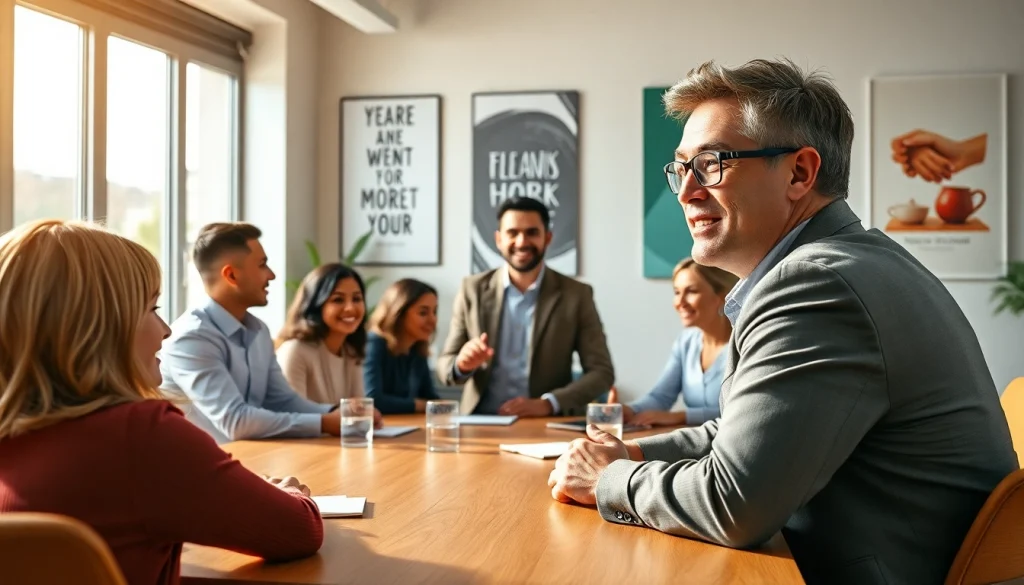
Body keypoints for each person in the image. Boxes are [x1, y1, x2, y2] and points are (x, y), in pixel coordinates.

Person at [547, 58, 1017, 585]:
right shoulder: (853, 261)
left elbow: (734, 505)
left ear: (799, 173)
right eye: (681, 168)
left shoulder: (817, 284)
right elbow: (744, 430)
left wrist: (610, 478)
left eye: (711, 164)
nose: (685, 191)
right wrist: (631, 450)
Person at [0, 220, 323, 585]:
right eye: (152, 308)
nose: (167, 330)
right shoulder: (139, 436)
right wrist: (287, 493)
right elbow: (300, 530)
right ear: (101, 327)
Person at [160, 222, 341, 443]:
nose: (272, 275)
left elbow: (282, 401)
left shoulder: (259, 331)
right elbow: (236, 422)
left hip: (249, 456)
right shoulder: (192, 338)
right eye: (262, 265)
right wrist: (325, 422)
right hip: (200, 462)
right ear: (231, 275)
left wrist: (338, 412)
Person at [437, 196, 615, 417]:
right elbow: (445, 365)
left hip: (545, 422)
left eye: (532, 233)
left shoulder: (576, 295)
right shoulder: (471, 290)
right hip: (480, 419)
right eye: (512, 233)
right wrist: (461, 365)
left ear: (547, 238)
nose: (521, 242)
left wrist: (549, 403)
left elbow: (602, 372)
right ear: (498, 239)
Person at [623, 258, 738, 427]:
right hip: (695, 440)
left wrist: (683, 416)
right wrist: (629, 410)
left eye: (691, 291)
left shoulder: (743, 344)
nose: (680, 302)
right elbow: (661, 396)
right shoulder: (686, 342)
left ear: (721, 297)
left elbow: (744, 410)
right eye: (677, 292)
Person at [276, 263, 382, 427]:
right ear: (315, 305)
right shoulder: (295, 350)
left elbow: (360, 413)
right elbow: (292, 415)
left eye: (356, 299)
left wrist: (366, 414)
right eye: (338, 300)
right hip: (304, 442)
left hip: (338, 440)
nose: (350, 308)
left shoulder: (351, 350)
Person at [364, 278, 441, 414]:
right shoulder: (374, 344)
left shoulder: (418, 348)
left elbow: (429, 397)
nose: (433, 320)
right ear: (398, 313)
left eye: (434, 312)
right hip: (381, 425)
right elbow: (372, 400)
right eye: (423, 313)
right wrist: (418, 405)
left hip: (408, 424)